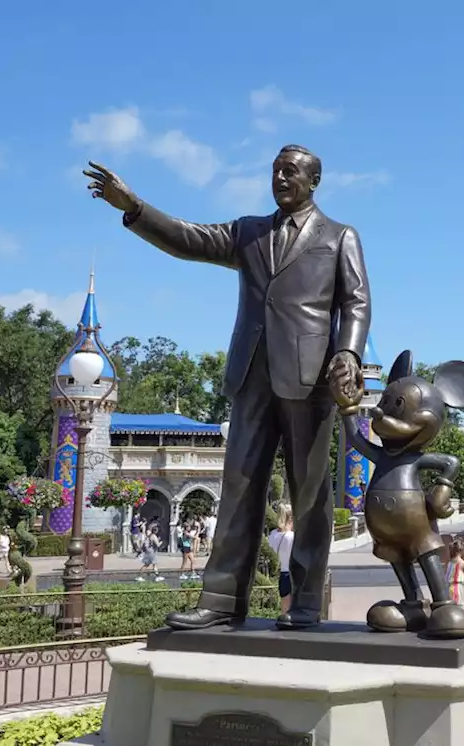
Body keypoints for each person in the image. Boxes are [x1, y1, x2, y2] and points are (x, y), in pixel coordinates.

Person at [86, 146, 372, 632]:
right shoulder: (248, 232)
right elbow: (189, 239)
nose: (280, 177)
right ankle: (221, 600)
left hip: (310, 378)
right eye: (275, 170)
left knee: (309, 494)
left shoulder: (339, 235)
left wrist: (348, 353)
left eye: (291, 171)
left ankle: (304, 603)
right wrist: (135, 207)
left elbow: (357, 302)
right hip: (251, 376)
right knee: (239, 486)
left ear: (314, 180)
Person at [268, 502, 295, 613]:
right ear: (291, 519)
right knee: (292, 607)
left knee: (284, 607)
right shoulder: (291, 536)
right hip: (291, 574)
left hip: (281, 573)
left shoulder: (273, 534)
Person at [446, 540, 464, 604]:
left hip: (448, 586)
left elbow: (446, 574)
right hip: (456, 586)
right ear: (461, 551)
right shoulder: (462, 563)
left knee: (451, 604)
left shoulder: (450, 562)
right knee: (457, 605)